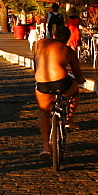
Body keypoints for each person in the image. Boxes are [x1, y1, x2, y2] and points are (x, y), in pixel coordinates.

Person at [33, 23, 86, 155]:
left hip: (42, 83)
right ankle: (70, 120)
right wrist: (80, 81)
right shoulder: (69, 51)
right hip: (62, 82)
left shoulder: (41, 42)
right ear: (68, 39)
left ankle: (46, 147)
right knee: (75, 93)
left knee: (43, 112)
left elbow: (36, 60)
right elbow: (78, 74)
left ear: (54, 35)